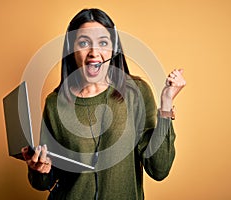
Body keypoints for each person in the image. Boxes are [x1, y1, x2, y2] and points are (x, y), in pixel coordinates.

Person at [21, 8, 186, 200]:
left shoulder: (136, 93)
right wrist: (39, 169)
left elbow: (159, 169)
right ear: (72, 50)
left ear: (114, 49)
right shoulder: (54, 103)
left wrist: (166, 104)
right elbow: (43, 183)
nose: (94, 52)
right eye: (84, 43)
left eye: (103, 43)